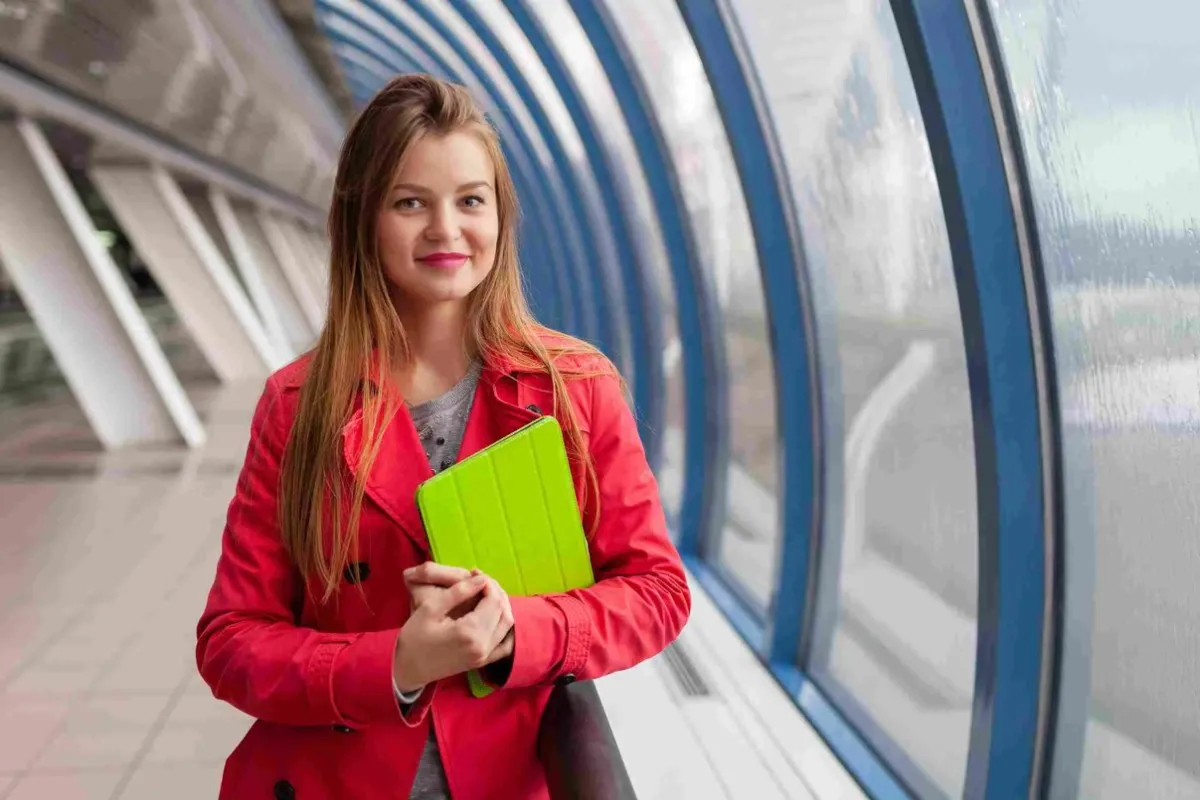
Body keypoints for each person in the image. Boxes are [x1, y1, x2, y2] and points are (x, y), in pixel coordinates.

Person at [195, 73, 690, 799]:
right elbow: (231, 640)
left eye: (470, 201)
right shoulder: (297, 406)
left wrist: (519, 627)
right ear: (362, 218)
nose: (446, 230)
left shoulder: (574, 387)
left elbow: (657, 591)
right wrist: (396, 662)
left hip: (506, 777)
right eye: (409, 203)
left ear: (500, 215)